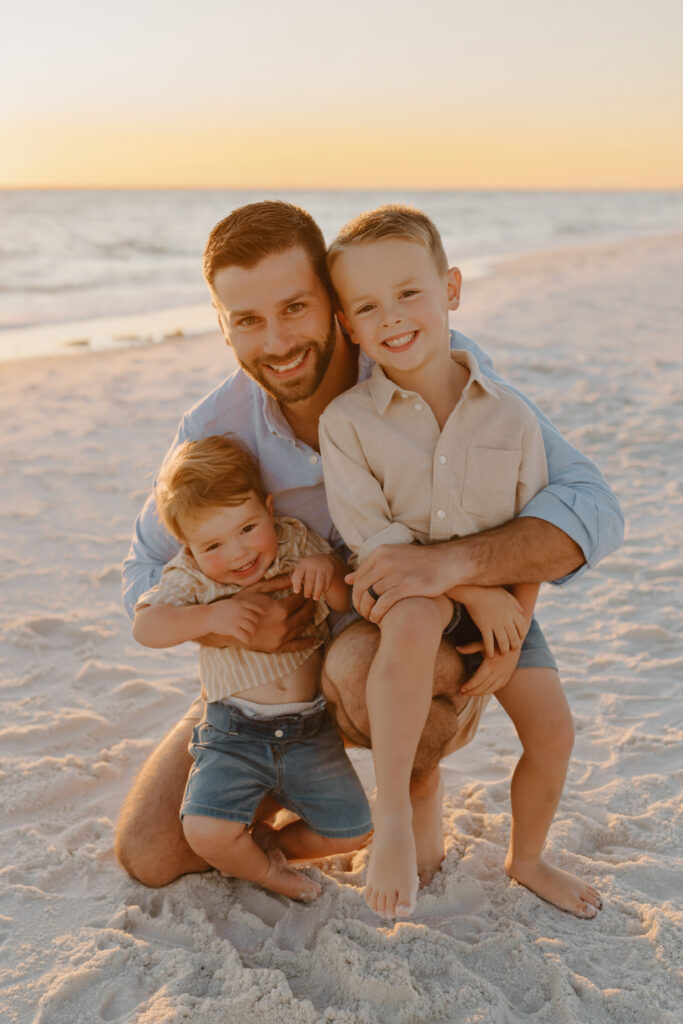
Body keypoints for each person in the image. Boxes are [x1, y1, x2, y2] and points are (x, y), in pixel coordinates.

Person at [116, 200, 623, 921]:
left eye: (295, 307)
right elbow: (142, 576)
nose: (278, 340)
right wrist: (230, 626)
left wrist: (458, 571)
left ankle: (411, 791)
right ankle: (295, 807)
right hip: (272, 673)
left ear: (332, 307)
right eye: (248, 320)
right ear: (221, 325)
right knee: (154, 854)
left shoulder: (424, 361)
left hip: (403, 633)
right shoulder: (214, 429)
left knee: (366, 664)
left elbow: (588, 506)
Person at [318, 203, 571, 919]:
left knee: (553, 730)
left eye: (409, 293)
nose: (392, 317)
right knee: (412, 615)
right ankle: (393, 813)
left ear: (451, 289)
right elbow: (377, 543)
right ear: (348, 327)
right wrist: (469, 590)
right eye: (367, 306)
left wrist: (512, 619)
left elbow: (533, 530)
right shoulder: (349, 422)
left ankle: (527, 858)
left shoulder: (511, 415)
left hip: (501, 601)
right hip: (402, 594)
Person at [132, 434, 372, 902]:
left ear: (268, 508)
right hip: (233, 733)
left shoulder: (296, 541)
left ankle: (270, 846)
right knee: (204, 832)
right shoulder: (194, 576)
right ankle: (266, 874)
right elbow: (146, 625)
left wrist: (328, 573)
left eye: (246, 529)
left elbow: (349, 603)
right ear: (188, 547)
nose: (238, 554)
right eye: (213, 544)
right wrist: (209, 617)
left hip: (310, 732)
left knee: (351, 831)